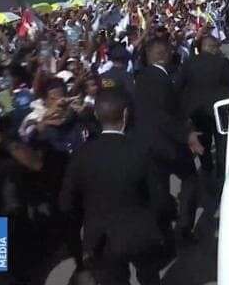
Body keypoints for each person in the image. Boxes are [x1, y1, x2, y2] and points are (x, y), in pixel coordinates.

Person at [59, 89, 168, 285]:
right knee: (150, 277)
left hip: (101, 239)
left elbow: (66, 204)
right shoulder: (141, 150)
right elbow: (159, 198)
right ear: (126, 114)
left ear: (96, 114)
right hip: (140, 233)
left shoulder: (81, 155)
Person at [134, 38, 204, 243]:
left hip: (148, 146)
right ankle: (184, 227)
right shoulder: (161, 79)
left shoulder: (141, 77)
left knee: (159, 191)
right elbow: (162, 115)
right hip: (169, 144)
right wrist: (187, 134)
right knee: (190, 180)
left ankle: (163, 232)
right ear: (165, 55)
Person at [174, 35, 229, 179]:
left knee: (204, 144)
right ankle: (222, 175)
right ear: (212, 47)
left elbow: (178, 87)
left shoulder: (188, 64)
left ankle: (207, 170)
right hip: (220, 111)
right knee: (222, 144)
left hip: (197, 112)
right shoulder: (222, 62)